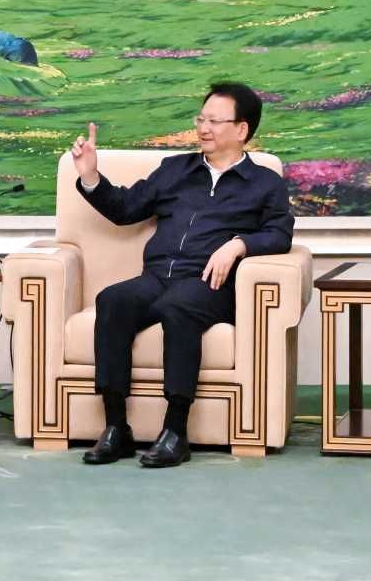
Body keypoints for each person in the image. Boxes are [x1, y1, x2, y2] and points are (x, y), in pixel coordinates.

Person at [68, 81, 294, 469]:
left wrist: (239, 244)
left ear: (242, 129)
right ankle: (116, 427)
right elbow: (125, 208)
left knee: (179, 307)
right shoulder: (175, 169)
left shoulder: (265, 183)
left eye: (214, 121)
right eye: (200, 119)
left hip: (210, 284)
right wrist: (91, 176)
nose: (203, 128)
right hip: (157, 276)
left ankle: (175, 431)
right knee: (113, 300)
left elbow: (279, 233)